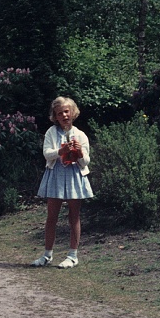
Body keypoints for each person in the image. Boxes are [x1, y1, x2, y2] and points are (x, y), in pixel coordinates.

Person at [31, 96, 93, 269]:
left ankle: (73, 255)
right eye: (60, 113)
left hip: (74, 175)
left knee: (74, 216)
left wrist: (80, 153)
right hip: (56, 175)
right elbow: (47, 153)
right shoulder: (51, 132)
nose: (64, 115)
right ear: (55, 116)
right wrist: (61, 151)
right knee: (52, 216)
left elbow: (86, 162)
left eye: (66, 111)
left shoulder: (80, 135)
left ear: (73, 112)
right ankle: (47, 254)